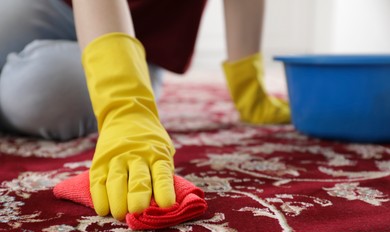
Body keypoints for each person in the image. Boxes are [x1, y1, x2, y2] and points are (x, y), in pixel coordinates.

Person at [0, 0, 290, 220]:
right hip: (53, 7)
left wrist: (247, 83)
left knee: (39, 94)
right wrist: (124, 104)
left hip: (143, 41)